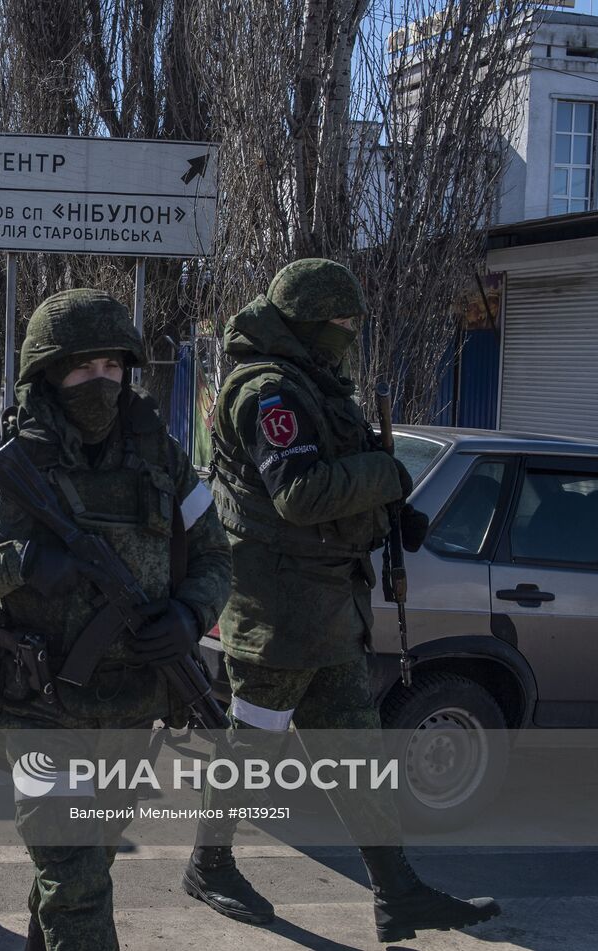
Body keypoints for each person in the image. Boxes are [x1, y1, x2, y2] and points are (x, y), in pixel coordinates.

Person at [192, 258, 499, 943]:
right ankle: (209, 865)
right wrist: (385, 473)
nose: (349, 336)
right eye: (341, 324)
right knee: (252, 750)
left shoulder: (315, 382)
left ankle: (397, 892)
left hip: (325, 606)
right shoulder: (267, 390)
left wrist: (391, 507)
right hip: (275, 612)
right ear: (306, 324)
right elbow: (300, 493)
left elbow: (341, 478)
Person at [0, 288, 232, 951]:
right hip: (39, 706)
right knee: (80, 889)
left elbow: (215, 558)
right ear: (46, 372)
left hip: (130, 710)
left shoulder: (165, 457)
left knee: (84, 865)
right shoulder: (4, 455)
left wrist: (188, 614)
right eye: (80, 368)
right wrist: (21, 560)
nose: (100, 383)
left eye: (111, 368)